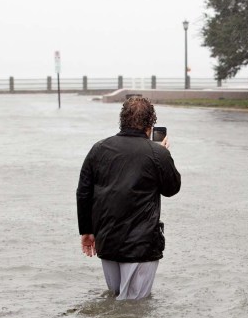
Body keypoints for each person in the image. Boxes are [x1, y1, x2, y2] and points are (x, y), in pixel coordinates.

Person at [76, 97, 181, 300]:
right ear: (150, 125)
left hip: (106, 242)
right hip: (141, 245)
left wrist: (87, 231)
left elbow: (83, 192)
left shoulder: (98, 149)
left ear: (122, 120)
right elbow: (171, 189)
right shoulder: (157, 153)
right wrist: (165, 154)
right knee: (134, 308)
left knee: (115, 296)